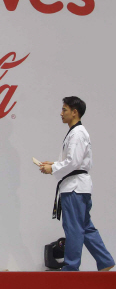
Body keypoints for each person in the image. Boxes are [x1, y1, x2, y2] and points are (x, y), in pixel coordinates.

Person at [39, 96, 114, 271]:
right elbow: (74, 162)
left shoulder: (78, 133)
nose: (61, 113)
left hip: (74, 188)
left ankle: (71, 267)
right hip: (77, 186)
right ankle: (105, 261)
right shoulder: (76, 133)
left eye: (64, 110)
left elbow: (73, 162)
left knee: (73, 227)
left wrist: (54, 168)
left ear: (75, 112)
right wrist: (53, 165)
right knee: (85, 227)